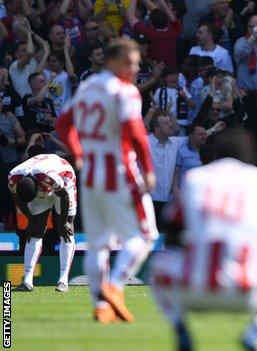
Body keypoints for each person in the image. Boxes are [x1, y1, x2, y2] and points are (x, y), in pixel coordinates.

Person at [149, 128, 257, 351]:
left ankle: (180, 327)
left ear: (216, 154)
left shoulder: (196, 178)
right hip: (245, 291)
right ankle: (256, 332)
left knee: (157, 265)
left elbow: (172, 235)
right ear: (250, 155)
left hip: (195, 290)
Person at [56, 38, 159, 324]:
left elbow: (63, 124)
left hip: (89, 174)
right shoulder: (124, 91)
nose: (136, 68)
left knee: (98, 244)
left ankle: (101, 306)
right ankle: (114, 285)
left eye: (137, 63)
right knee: (146, 236)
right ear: (112, 61)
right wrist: (148, 169)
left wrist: (77, 152)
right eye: (131, 62)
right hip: (120, 172)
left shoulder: (88, 87)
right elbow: (136, 132)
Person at [8, 151, 76, 293]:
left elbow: (63, 195)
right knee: (35, 230)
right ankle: (27, 281)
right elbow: (17, 198)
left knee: (65, 229)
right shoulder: (13, 178)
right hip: (38, 183)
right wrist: (30, 219)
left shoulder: (48, 176)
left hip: (64, 181)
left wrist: (63, 222)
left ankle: (63, 281)